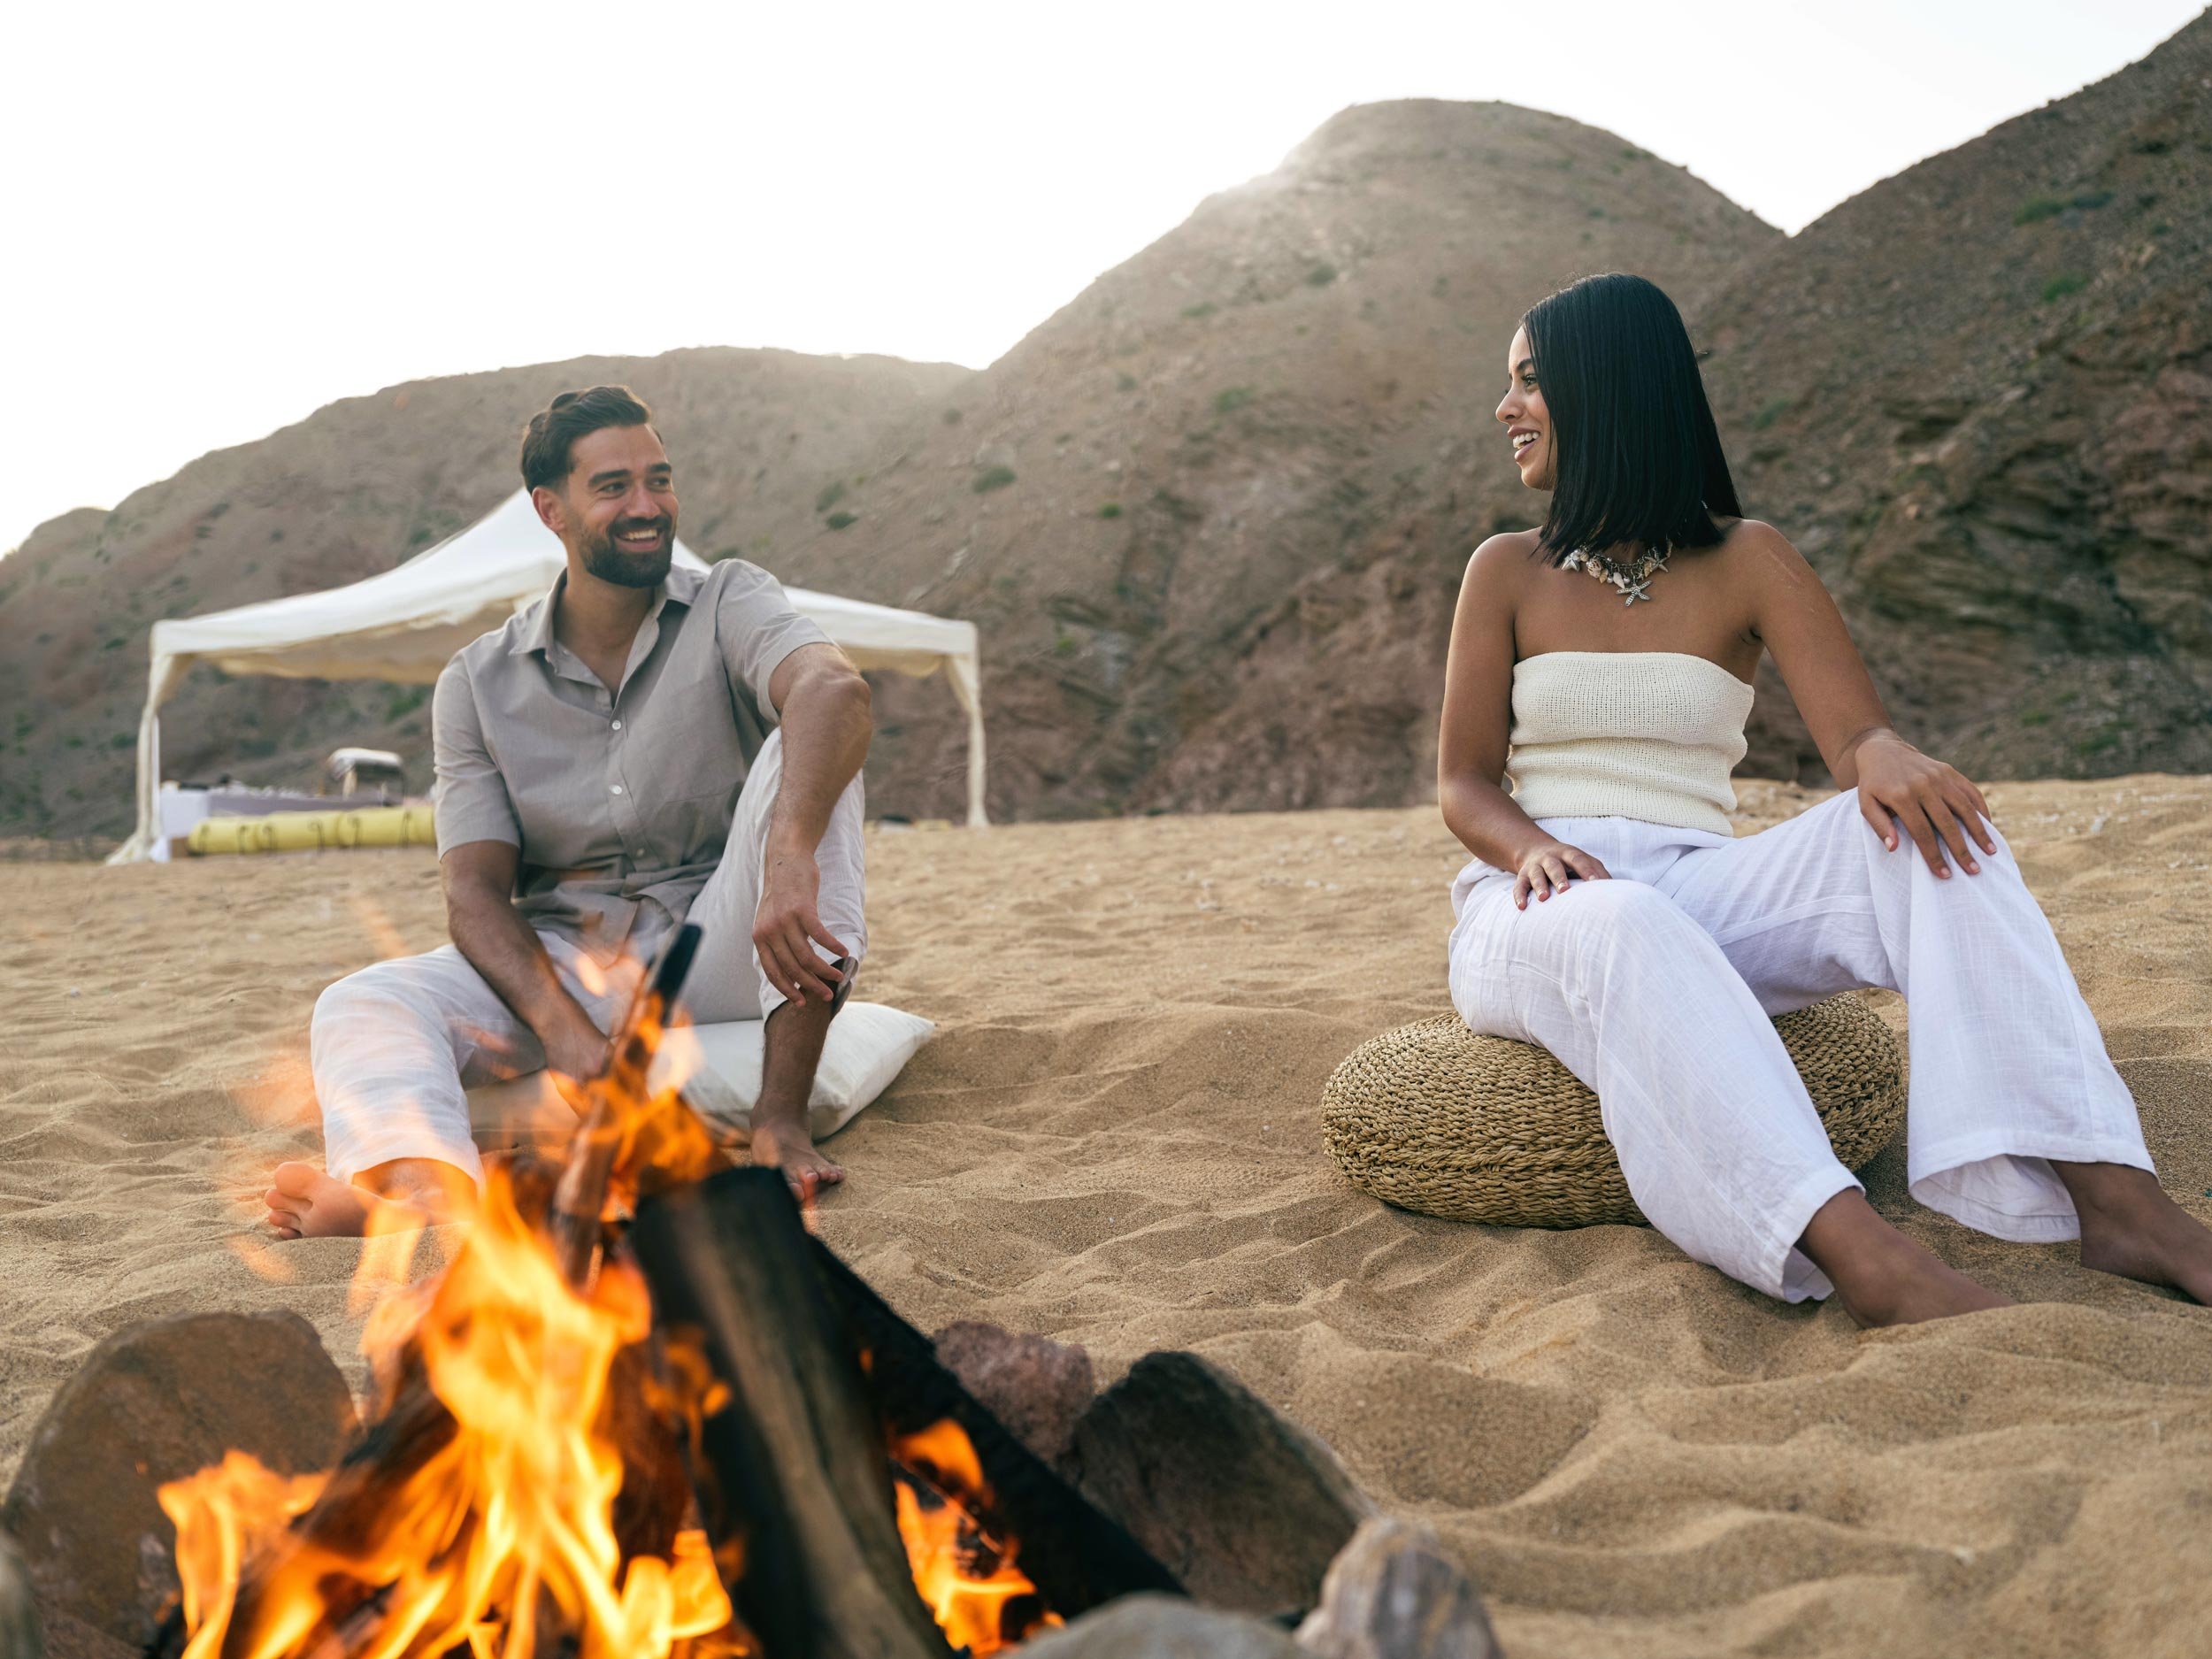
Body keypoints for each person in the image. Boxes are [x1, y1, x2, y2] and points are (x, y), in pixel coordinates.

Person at [1437, 273, 2212, 1326]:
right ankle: (1864, 1256)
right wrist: (1527, 848)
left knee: (1931, 834)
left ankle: (2117, 1201)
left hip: (1699, 888)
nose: (1505, 407)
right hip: (1535, 904)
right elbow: (1463, 781)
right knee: (1615, 914)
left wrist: (1888, 754)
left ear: (1607, 389)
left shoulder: (1746, 558)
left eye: (1529, 381)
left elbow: (1855, 735)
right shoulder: (1505, 570)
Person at [266, 386, 872, 1238]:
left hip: (723, 948)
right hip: (566, 967)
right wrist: (564, 1032)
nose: (648, 506)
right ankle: (424, 1194)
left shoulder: (729, 599)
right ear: (550, 509)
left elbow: (833, 687)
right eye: (614, 486)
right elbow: (474, 892)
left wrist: (790, 854)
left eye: (659, 480)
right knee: (360, 999)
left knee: (816, 734)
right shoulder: (477, 682)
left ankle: (777, 1118)